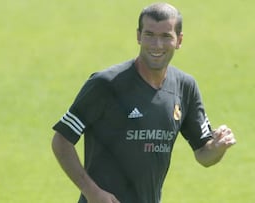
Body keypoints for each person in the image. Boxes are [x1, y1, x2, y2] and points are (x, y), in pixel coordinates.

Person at [51, 2, 236, 203]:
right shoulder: (106, 84)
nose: (156, 45)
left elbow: (203, 154)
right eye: (149, 35)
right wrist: (92, 192)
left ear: (179, 40)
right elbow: (62, 140)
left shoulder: (185, 87)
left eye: (166, 36)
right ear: (139, 36)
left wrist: (217, 148)